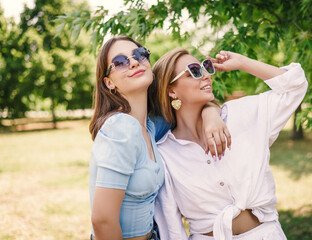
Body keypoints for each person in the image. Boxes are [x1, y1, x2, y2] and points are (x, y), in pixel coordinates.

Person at [152, 48, 308, 240]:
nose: (207, 76)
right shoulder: (164, 153)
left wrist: (242, 62)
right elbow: (171, 226)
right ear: (171, 90)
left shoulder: (241, 115)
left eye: (206, 67)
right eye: (194, 70)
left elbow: (295, 85)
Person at [88, 36, 230, 240]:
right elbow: (102, 220)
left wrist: (210, 113)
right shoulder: (121, 128)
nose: (134, 62)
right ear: (109, 83)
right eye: (120, 62)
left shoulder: (152, 125)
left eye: (139, 54)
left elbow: (192, 105)